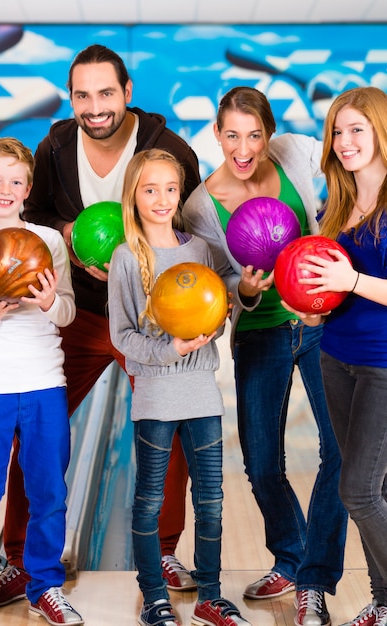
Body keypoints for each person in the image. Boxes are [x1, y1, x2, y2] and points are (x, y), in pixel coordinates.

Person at [0, 44, 201, 606]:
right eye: (82, 95)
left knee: (170, 427)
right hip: (82, 311)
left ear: (127, 93)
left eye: (105, 93)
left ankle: (162, 549)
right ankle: (16, 558)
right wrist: (68, 236)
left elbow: (192, 227)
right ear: (72, 97)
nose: (94, 106)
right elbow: (33, 216)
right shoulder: (57, 146)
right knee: (32, 426)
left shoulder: (168, 150)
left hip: (150, 313)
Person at [182, 86, 348, 626]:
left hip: (323, 325)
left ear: (270, 134)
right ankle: (293, 555)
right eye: (232, 135)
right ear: (217, 134)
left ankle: (313, 575)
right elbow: (225, 288)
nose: (244, 146)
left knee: (339, 451)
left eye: (254, 134)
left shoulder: (296, 153)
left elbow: (343, 175)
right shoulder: (201, 207)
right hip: (261, 332)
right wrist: (248, 291)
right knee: (261, 464)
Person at [108, 147, 253, 626]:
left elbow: (213, 317)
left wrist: (218, 325)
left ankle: (210, 595)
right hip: (154, 397)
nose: (162, 198)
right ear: (134, 195)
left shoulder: (200, 251)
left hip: (201, 395)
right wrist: (171, 349)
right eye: (150, 189)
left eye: (171, 189)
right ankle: (154, 595)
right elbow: (123, 337)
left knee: (211, 500)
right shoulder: (127, 258)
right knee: (150, 501)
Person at [281, 86, 387, 626]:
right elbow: (328, 288)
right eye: (337, 132)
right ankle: (383, 602)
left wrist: (351, 279)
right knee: (374, 490)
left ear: (380, 132)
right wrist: (310, 305)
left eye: (356, 130)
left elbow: (353, 280)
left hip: (384, 365)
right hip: (335, 356)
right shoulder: (336, 204)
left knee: (360, 492)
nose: (345, 142)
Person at [0, 137, 83, 626]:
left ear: (27, 188)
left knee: (49, 493)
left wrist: (46, 303)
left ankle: (46, 587)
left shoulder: (50, 243)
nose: (4, 189)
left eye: (15, 181)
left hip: (42, 381)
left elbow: (68, 312)